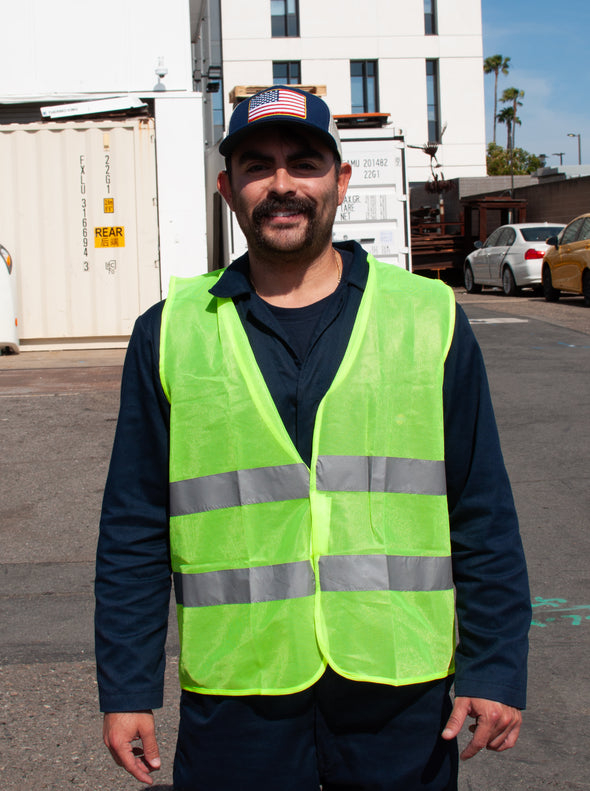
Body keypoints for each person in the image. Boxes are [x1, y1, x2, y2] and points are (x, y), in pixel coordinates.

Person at [95, 86, 531, 790]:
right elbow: (135, 526)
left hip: (400, 689)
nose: (282, 184)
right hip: (240, 692)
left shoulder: (427, 317)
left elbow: (480, 507)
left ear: (340, 180)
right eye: (257, 166)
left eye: (304, 163)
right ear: (227, 188)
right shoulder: (173, 331)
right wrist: (125, 686)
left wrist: (496, 663)